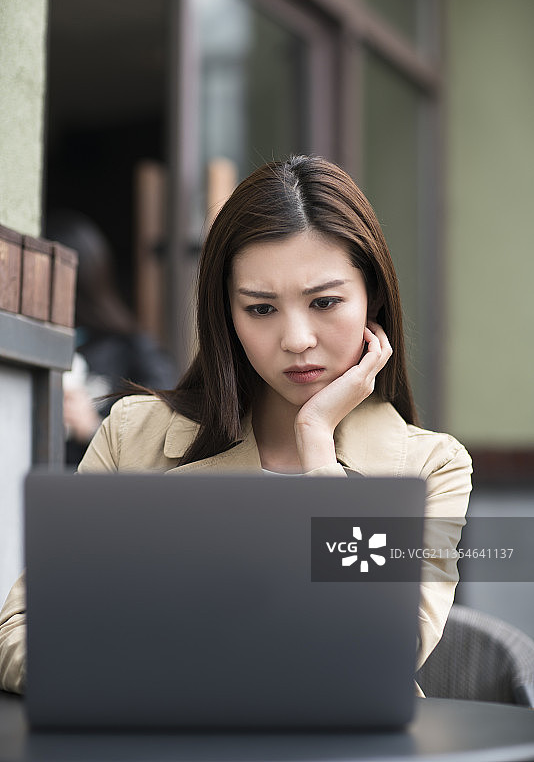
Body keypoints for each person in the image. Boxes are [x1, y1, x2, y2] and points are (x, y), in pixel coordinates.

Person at [0, 155, 471, 695]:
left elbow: (382, 648)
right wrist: (173, 682)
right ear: (227, 314)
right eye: (261, 309)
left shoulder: (431, 465)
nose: (296, 339)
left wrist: (317, 444)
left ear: (374, 300)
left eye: (325, 302)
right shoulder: (134, 436)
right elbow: (20, 634)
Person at [46, 209, 176, 465]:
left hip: (104, 496)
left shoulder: (133, 352)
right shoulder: (39, 345)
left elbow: (167, 440)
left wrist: (93, 429)